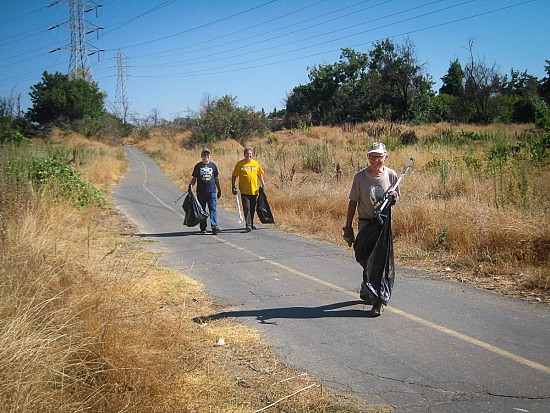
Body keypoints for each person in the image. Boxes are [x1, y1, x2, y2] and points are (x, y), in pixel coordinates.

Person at [343, 142, 399, 316]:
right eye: (372, 156)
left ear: (385, 158)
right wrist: (348, 227)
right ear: (368, 158)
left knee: (380, 262)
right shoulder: (360, 177)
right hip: (366, 223)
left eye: (379, 157)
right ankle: (367, 287)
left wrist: (392, 198)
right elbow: (353, 202)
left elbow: (396, 199)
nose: (376, 160)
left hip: (383, 224)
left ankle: (377, 301)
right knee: (366, 258)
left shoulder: (391, 175)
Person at [231, 146, 265, 232]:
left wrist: (263, 184)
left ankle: (251, 223)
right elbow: (234, 175)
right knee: (246, 208)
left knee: (252, 208)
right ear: (244, 154)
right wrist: (233, 186)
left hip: (254, 190)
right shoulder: (240, 164)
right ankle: (248, 224)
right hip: (244, 190)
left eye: (250, 154)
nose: (248, 156)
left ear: (252, 155)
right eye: (247, 154)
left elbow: (260, 175)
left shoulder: (256, 163)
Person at [189, 147, 222, 234]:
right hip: (201, 192)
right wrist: (191, 186)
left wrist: (219, 189)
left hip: (212, 191)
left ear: (210, 156)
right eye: (204, 155)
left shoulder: (213, 166)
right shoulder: (198, 166)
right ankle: (203, 227)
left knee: (213, 209)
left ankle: (214, 226)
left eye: (208, 155)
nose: (206, 156)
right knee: (202, 210)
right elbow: (194, 179)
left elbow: (216, 179)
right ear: (201, 156)